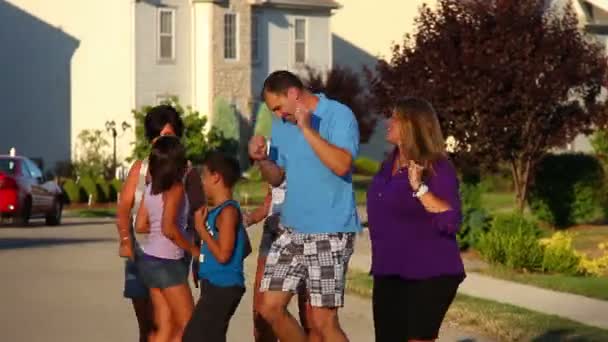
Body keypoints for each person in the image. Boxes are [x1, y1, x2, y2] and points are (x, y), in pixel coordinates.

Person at [249, 70, 360, 342]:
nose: (277, 115)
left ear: (293, 94)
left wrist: (307, 129)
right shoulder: (282, 124)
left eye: (278, 107)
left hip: (329, 230)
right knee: (268, 308)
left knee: (322, 321)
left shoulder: (339, 115)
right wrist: (262, 160)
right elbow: (278, 178)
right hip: (291, 229)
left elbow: (343, 164)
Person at [366, 97, 465, 341]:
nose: (389, 122)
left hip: (430, 273)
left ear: (412, 126)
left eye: (396, 118)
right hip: (389, 271)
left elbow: (450, 218)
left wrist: (419, 188)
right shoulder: (386, 166)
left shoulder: (436, 167)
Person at [115, 105, 204, 342]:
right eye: (159, 137)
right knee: (152, 324)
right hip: (148, 255)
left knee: (167, 324)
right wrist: (126, 239)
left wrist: (197, 254)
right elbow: (124, 210)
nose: (163, 142)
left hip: (168, 255)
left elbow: (197, 215)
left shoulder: (186, 173)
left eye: (169, 136)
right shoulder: (141, 169)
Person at [134, 136, 199, 342]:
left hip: (150, 260)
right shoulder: (176, 188)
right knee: (190, 325)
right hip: (168, 262)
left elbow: (140, 225)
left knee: (165, 326)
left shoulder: (151, 189)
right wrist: (195, 251)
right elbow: (169, 228)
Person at [182, 152, 248, 342]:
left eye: (204, 175)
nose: (202, 181)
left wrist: (201, 229)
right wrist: (201, 264)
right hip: (213, 284)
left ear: (216, 177)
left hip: (224, 287)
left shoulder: (228, 212)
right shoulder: (217, 211)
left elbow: (223, 255)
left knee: (193, 338)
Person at [243, 180, 316, 342]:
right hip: (273, 229)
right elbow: (272, 196)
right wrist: (250, 218)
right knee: (261, 315)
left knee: (312, 317)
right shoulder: (273, 156)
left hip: (306, 227)